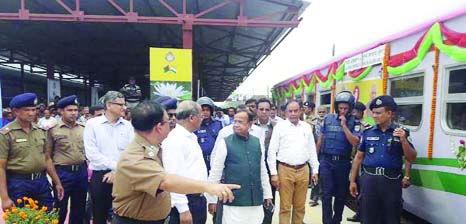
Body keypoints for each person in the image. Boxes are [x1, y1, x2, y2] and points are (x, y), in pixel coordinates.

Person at [112, 101, 240, 224]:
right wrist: (210, 187)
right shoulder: (136, 157)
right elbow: (166, 181)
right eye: (168, 120)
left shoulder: (153, 147)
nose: (174, 121)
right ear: (159, 127)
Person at [350, 95, 417, 224]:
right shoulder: (368, 132)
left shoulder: (400, 132)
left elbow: (411, 158)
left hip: (391, 182)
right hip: (369, 181)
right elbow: (358, 157)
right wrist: (352, 181)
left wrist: (403, 141)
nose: (374, 116)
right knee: (368, 218)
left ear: (389, 113)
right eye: (373, 113)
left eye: (378, 113)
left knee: (391, 218)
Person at [0, 93, 64, 211]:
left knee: (48, 217)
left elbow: (47, 159)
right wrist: (4, 198)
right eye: (26, 110)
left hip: (41, 182)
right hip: (18, 183)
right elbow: (1, 168)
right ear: (16, 111)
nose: (31, 113)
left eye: (33, 110)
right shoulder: (6, 134)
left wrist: (57, 182)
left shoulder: (40, 131)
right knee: (22, 219)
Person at [207, 109, 273, 224]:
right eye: (235, 122)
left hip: (255, 201)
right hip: (234, 200)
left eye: (240, 122)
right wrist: (212, 199)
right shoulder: (226, 142)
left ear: (250, 124)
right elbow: (215, 172)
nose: (236, 125)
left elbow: (262, 170)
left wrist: (268, 194)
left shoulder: (256, 142)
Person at [84, 91, 134, 224]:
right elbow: (92, 154)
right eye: (120, 105)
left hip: (123, 176)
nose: (124, 108)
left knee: (124, 215)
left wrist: (116, 172)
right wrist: (116, 168)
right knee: (99, 215)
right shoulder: (93, 124)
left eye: (124, 104)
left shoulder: (128, 126)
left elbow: (132, 152)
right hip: (100, 176)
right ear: (109, 105)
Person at [268, 101, 319, 224]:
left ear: (301, 111)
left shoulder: (307, 127)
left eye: (296, 110)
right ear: (285, 112)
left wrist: (315, 170)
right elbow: (271, 151)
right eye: (290, 111)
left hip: (303, 169)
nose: (293, 114)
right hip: (285, 170)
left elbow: (312, 150)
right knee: (285, 207)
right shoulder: (279, 127)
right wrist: (274, 173)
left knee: (300, 206)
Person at [316, 91, 361, 224]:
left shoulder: (355, 123)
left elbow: (355, 142)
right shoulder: (328, 119)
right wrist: (315, 159)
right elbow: (321, 139)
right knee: (326, 194)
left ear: (351, 108)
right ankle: (327, 221)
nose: (342, 111)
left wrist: (344, 126)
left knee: (341, 195)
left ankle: (337, 220)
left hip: (343, 163)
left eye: (345, 108)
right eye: (340, 108)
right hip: (326, 161)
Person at [162, 101, 208, 224]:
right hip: (186, 202)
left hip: (197, 199)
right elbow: (173, 177)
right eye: (201, 116)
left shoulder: (191, 137)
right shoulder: (175, 140)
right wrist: (183, 209)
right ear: (192, 118)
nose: (202, 120)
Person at [47, 95, 87, 224]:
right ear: (61, 111)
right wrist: (56, 179)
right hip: (62, 172)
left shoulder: (83, 128)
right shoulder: (52, 130)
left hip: (81, 171)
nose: (74, 113)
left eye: (75, 110)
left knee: (79, 208)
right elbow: (47, 156)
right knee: (60, 208)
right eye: (70, 110)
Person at [254, 98, 277, 224]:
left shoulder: (277, 127)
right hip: (253, 168)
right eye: (261, 109)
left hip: (270, 170)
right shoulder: (249, 126)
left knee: (269, 200)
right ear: (256, 110)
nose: (264, 112)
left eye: (267, 110)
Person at [195, 97, 223, 172]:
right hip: (199, 161)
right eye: (203, 110)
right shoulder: (195, 125)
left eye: (207, 110)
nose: (205, 112)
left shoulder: (218, 124)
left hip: (215, 161)